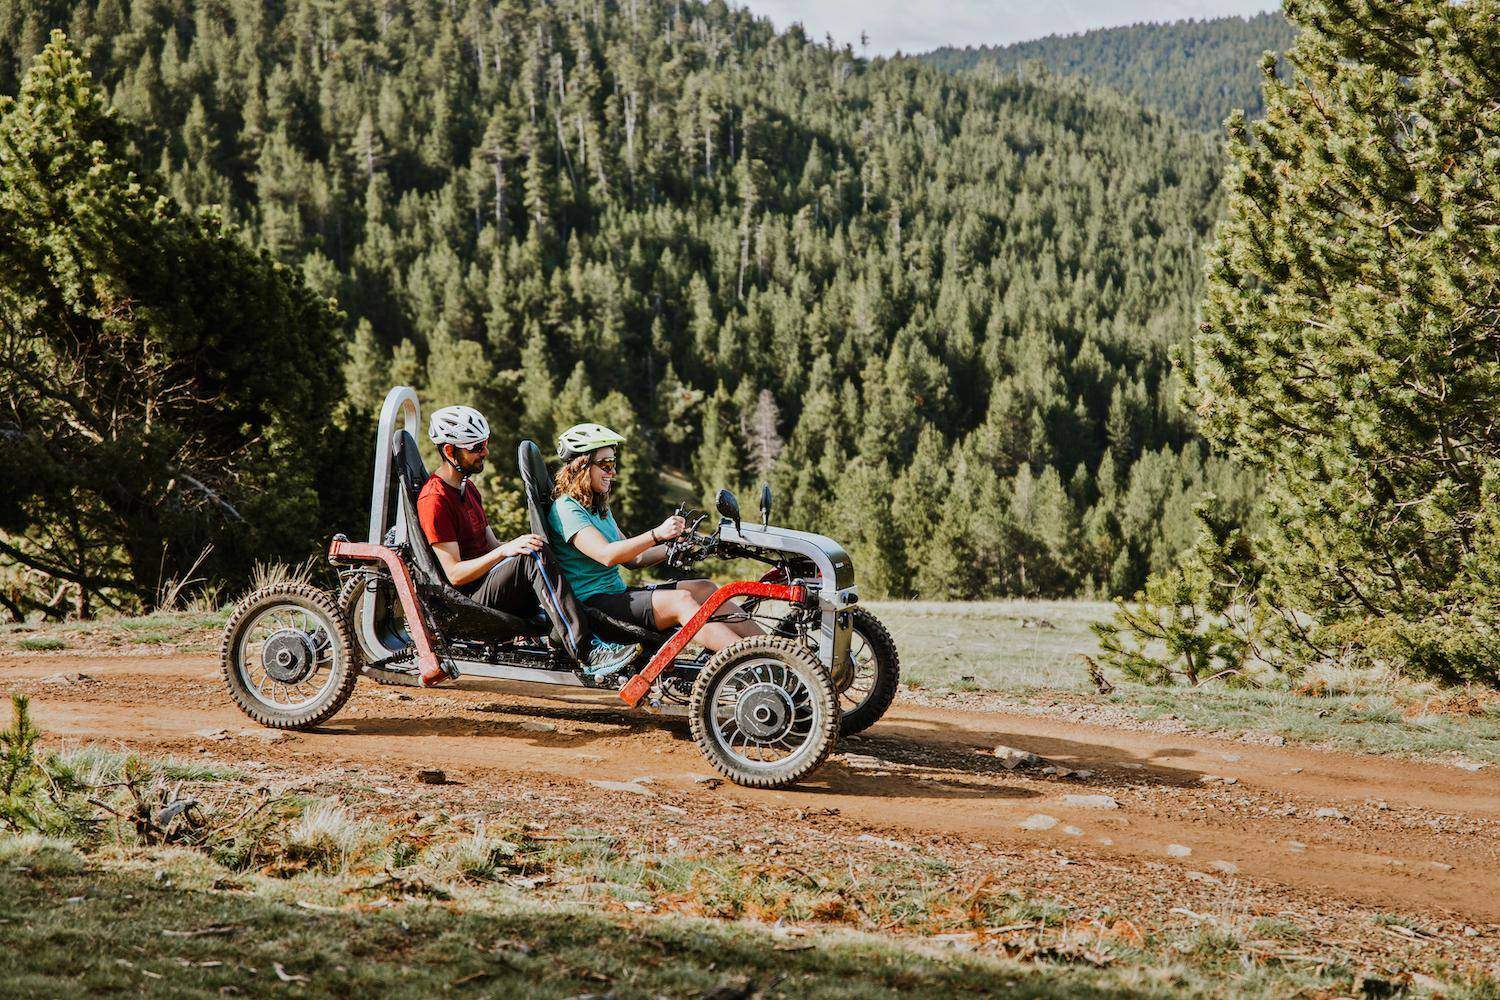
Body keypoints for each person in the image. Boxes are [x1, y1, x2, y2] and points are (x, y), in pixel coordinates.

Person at [418, 405, 638, 677]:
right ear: (450, 451)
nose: (485, 452)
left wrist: (513, 546)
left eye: (485, 444)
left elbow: (492, 546)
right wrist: (507, 553)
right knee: (531, 555)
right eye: (476, 447)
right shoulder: (435, 500)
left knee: (533, 546)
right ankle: (587, 651)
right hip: (468, 599)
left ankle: (567, 633)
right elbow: (455, 574)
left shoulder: (468, 487)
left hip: (490, 584)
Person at [546, 423, 763, 659]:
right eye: (606, 465)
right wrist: (656, 534)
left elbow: (635, 558)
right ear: (582, 466)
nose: (613, 472)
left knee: (706, 588)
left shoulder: (598, 508)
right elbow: (607, 555)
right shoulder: (567, 509)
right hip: (593, 605)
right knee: (681, 601)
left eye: (613, 464)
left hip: (617, 594)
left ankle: (773, 649)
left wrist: (672, 546)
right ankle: (754, 661)